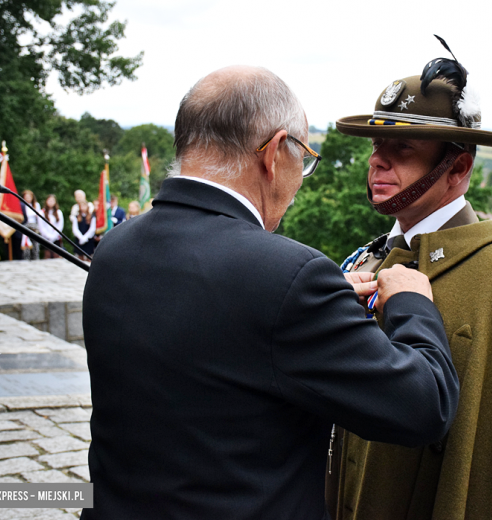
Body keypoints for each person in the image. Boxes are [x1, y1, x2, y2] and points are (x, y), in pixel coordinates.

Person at [81, 65, 460, 520]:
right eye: (303, 155)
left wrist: (320, 307)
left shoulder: (116, 245)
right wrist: (411, 303)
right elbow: (425, 406)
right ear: (276, 151)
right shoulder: (289, 278)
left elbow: (203, 341)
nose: (300, 176)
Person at [329, 42, 492, 520]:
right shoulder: (368, 261)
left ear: (459, 167)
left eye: (402, 148)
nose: (377, 162)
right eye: (376, 146)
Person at [38, 194, 64, 259]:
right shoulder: (42, 212)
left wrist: (54, 236)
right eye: (49, 200)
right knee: (47, 255)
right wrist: (48, 236)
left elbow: (60, 225)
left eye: (52, 200)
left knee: (56, 255)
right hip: (46, 237)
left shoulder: (58, 212)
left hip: (56, 237)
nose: (51, 202)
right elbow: (41, 226)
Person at [21, 190, 41, 260]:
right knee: (26, 244)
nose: (28, 198)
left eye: (29, 197)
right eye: (26, 197)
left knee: (35, 244)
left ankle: (35, 258)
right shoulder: (22, 205)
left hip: (34, 225)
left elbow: (38, 216)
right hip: (26, 225)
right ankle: (26, 258)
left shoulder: (36, 205)